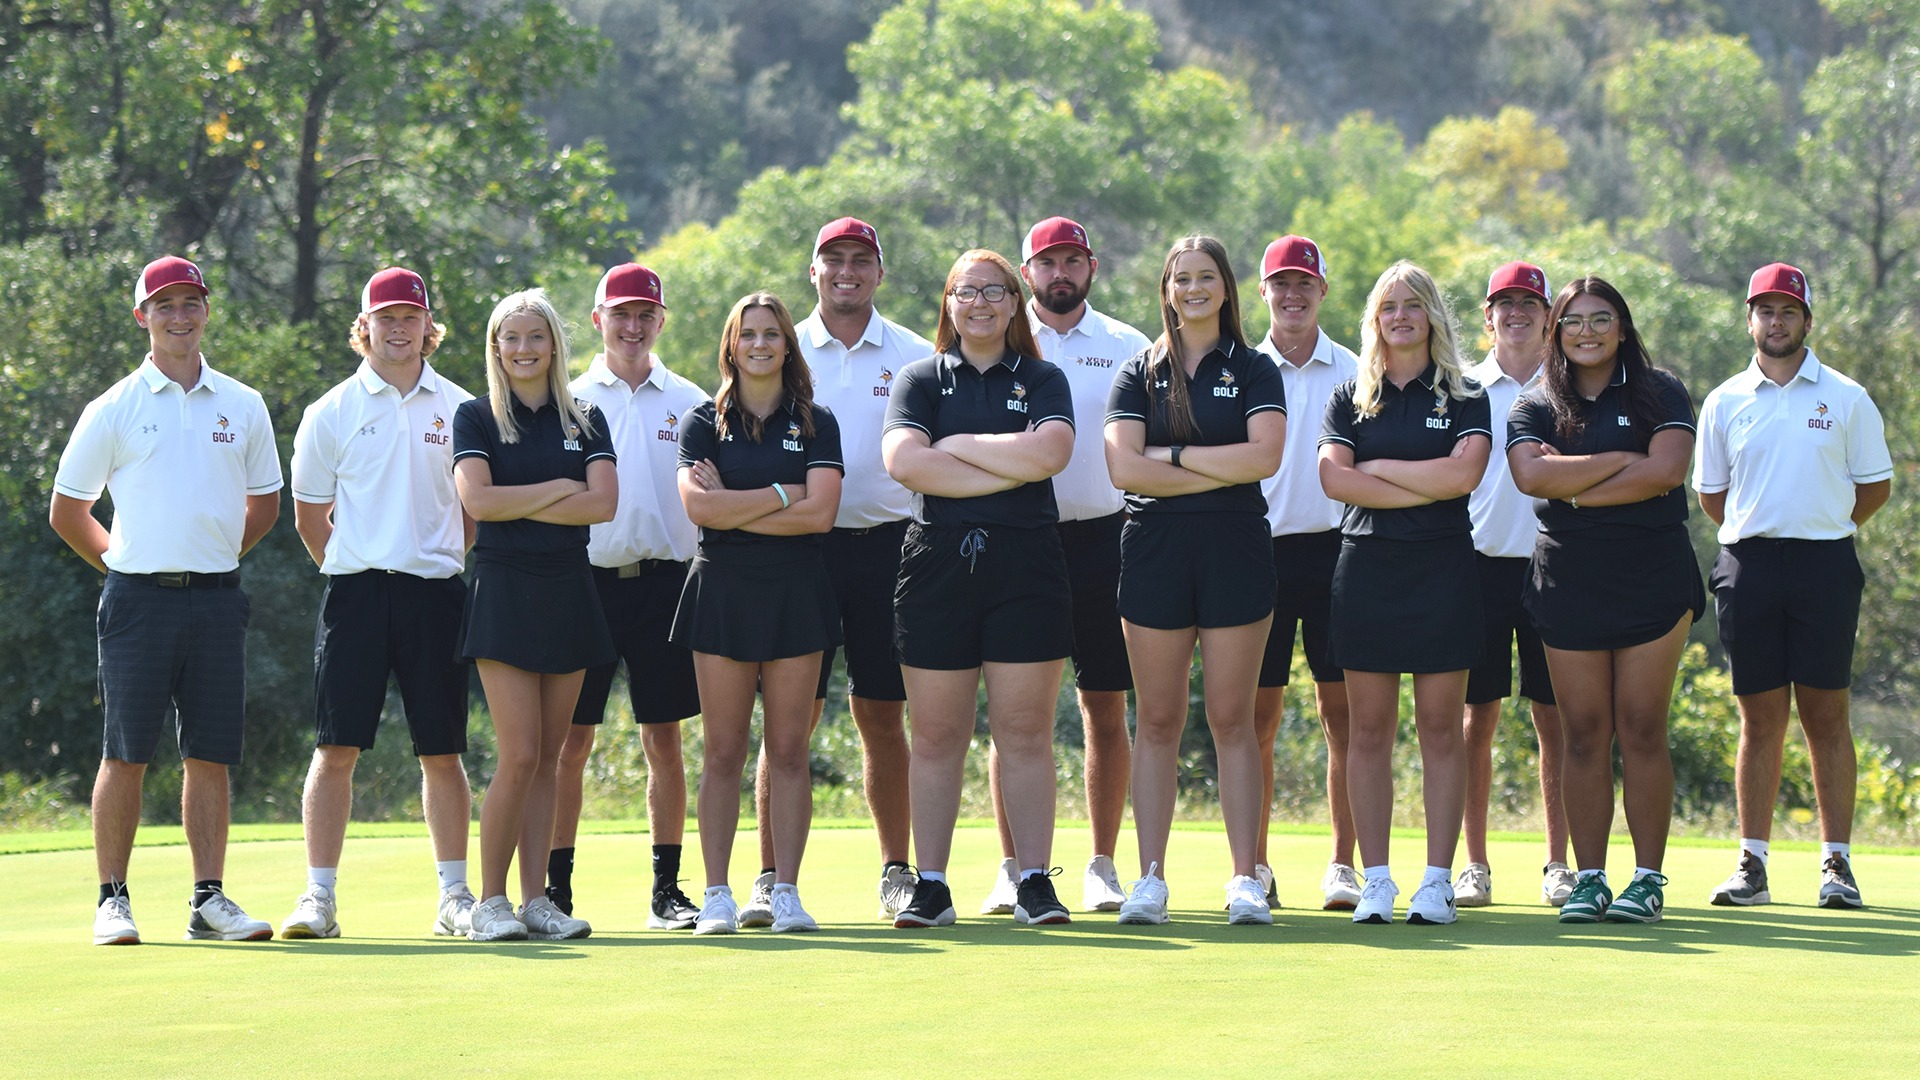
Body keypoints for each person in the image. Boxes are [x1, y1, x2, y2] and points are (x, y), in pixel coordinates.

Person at [50, 255, 283, 945]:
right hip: (136, 602)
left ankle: (208, 900)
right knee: (126, 752)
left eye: (190, 303)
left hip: (216, 601)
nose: (179, 316)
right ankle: (112, 900)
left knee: (209, 753)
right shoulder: (114, 407)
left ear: (206, 311)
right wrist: (124, 564)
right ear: (142, 317)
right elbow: (68, 511)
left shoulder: (243, 403)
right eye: (165, 306)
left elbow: (266, 503)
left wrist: (214, 557)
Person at [882, 249, 1076, 928]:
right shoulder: (919, 378)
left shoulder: (1044, 377)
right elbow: (906, 463)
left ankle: (1033, 882)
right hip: (937, 565)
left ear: (1015, 302)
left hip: (1027, 565)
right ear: (949, 303)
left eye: (995, 291)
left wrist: (954, 445)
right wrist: (1006, 462)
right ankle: (932, 886)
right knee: (937, 735)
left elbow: (1050, 454)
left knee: (1024, 732)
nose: (981, 303)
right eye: (967, 292)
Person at [281, 267, 477, 940]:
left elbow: (471, 514)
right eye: (385, 318)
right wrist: (353, 563)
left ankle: (454, 897)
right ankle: (319, 897)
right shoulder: (330, 411)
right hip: (356, 595)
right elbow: (310, 517)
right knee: (335, 747)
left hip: (436, 595)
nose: (398, 329)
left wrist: (436, 554)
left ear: (428, 327)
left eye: (410, 318)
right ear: (364, 328)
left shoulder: (461, 408)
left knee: (442, 750)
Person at [750, 217, 933, 924]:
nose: (847, 271)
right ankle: (771, 877)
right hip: (800, 550)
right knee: (787, 722)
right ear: (814, 271)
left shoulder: (916, 354)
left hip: (893, 549)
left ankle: (895, 870)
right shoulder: (781, 348)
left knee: (882, 714)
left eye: (861, 260)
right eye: (834, 260)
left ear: (880, 272)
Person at [1695, 263, 1892, 910]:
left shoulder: (1847, 397)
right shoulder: (1725, 401)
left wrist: (1823, 526)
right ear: (1749, 320)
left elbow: (1874, 487)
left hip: (1824, 566)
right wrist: (1766, 532)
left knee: (1826, 715)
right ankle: (1752, 864)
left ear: (1807, 320)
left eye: (1788, 311)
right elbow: (1714, 496)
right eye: (1765, 311)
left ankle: (1837, 863)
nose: (1775, 322)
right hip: (1748, 566)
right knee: (1759, 720)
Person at [1507, 275, 1703, 925]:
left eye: (1600, 319)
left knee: (1642, 724)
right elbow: (1530, 474)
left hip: (1653, 580)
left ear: (1622, 328)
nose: (1586, 332)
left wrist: (1573, 485)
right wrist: (1624, 462)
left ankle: (1646, 880)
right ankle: (1590, 878)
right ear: (1555, 331)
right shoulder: (1536, 403)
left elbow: (1667, 470)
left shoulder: (1661, 390)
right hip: (1569, 582)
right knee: (1584, 732)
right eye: (1573, 321)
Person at [1105, 236, 1285, 926]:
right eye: (1182, 278)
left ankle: (1244, 878)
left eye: (1206, 276)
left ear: (1226, 287)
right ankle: (1150, 878)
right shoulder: (1138, 372)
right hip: (1155, 548)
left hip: (1235, 548)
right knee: (1156, 720)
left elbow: (1263, 459)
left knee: (1233, 720)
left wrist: (1172, 455)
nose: (1194, 288)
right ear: (1167, 290)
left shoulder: (1255, 368)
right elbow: (1125, 469)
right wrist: (1217, 463)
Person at [975, 216, 1151, 916]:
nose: (1060, 273)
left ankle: (1102, 863)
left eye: (1072, 261)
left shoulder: (1128, 346)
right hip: (1020, 538)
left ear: (1091, 267)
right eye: (1046, 263)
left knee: (1105, 703)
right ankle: (1013, 865)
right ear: (1026, 274)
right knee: (1017, 716)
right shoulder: (1002, 338)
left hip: (1107, 538)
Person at [1318, 260, 1491, 926]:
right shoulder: (1349, 395)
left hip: (1443, 570)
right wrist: (1426, 479)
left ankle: (1438, 882)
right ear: (1374, 319)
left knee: (1442, 729)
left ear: (1432, 314)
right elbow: (1336, 480)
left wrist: (1381, 469)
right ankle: (1378, 881)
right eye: (1388, 307)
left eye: (1412, 304)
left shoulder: (1466, 394)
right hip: (1367, 568)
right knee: (1368, 732)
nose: (1400, 317)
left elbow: (1464, 477)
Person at [673, 292, 843, 935]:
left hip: (796, 592)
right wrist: (781, 493)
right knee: (723, 751)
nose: (760, 344)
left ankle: (786, 892)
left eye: (772, 333)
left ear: (787, 345)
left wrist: (737, 506)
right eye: (748, 334)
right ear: (731, 345)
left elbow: (820, 515)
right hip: (722, 590)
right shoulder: (700, 422)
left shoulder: (817, 422)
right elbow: (700, 510)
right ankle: (716, 894)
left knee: (790, 751)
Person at [452, 288, 616, 942]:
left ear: (554, 344)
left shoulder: (587, 417)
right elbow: (480, 502)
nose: (524, 349)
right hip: (504, 591)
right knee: (519, 755)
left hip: (569, 588)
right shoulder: (475, 417)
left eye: (536, 336)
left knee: (550, 757)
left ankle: (536, 901)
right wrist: (559, 489)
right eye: (511, 338)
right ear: (496, 348)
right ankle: (489, 903)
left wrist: (523, 498)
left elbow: (603, 503)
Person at [551, 264, 709, 930]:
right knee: (570, 742)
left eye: (646, 314)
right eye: (621, 314)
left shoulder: (693, 400)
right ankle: (555, 890)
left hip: (667, 583)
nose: (633, 326)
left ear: (661, 320)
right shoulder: (568, 399)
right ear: (598, 321)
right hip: (584, 584)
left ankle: (667, 890)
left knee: (663, 739)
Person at [1250, 235, 1363, 911]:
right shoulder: (1241, 368)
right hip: (1255, 553)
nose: (1293, 295)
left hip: (1337, 551)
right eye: (1281, 284)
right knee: (1255, 718)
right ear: (1263, 291)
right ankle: (1256, 865)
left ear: (1323, 290)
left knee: (1342, 714)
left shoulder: (1356, 369)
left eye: (1304, 283)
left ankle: (1343, 864)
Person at [1457, 261, 1571, 908]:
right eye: (1506, 303)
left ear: (1549, 315)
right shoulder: (1463, 386)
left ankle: (1558, 863)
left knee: (1555, 718)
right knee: (1477, 719)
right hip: (1477, 567)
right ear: (1488, 315)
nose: (1517, 312)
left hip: (1555, 566)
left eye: (1530, 302)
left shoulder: (1571, 387)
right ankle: (1474, 863)